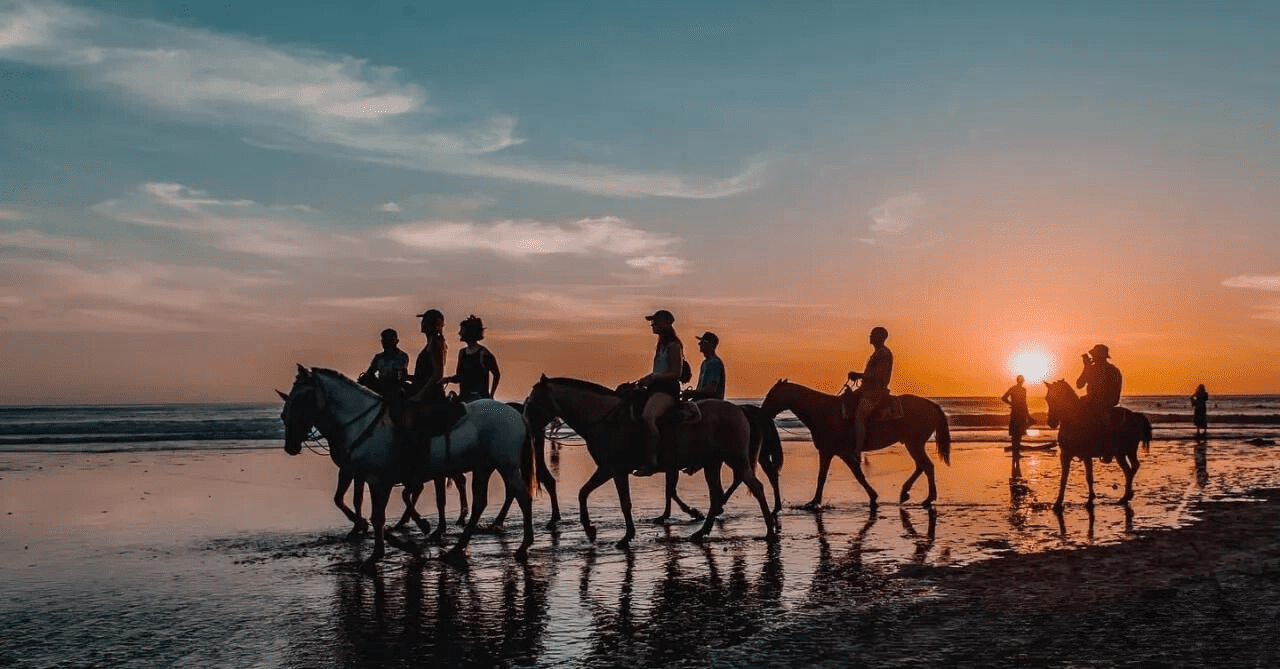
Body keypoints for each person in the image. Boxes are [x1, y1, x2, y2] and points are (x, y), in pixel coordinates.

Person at [633, 309, 684, 476]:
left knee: (648, 417)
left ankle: (652, 461)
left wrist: (654, 377)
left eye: (655, 322)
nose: (652, 325)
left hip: (667, 391)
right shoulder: (661, 345)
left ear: (666, 323)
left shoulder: (674, 346)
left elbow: (676, 373)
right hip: (656, 388)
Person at [847, 326, 893, 451]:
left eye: (873, 334)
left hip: (874, 392)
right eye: (871, 334)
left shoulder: (883, 353)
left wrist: (858, 375)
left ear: (880, 337)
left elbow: (878, 376)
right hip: (865, 390)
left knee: (859, 418)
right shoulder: (877, 353)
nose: (870, 336)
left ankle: (858, 451)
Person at [446, 315, 501, 402]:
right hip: (464, 396)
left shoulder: (483, 353)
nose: (459, 333)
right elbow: (459, 377)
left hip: (479, 397)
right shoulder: (462, 352)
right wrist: (447, 379)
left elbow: (496, 374)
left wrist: (491, 394)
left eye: (462, 330)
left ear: (469, 332)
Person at [1075, 343, 1123, 424]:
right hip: (1093, 401)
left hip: (1104, 403)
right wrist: (1086, 368)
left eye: (1095, 355)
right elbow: (1079, 385)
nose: (1093, 357)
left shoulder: (1111, 370)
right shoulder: (1092, 369)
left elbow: (1103, 390)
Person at [358, 328, 409, 399]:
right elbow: (370, 373)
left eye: (389, 340)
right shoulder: (378, 357)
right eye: (384, 340)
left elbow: (399, 376)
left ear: (396, 341)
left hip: (395, 388)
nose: (386, 343)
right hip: (380, 386)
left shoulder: (401, 356)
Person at [682, 331, 725, 401]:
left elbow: (710, 390)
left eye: (703, 342)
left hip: (710, 403)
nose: (699, 343)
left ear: (711, 345)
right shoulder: (705, 363)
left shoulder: (714, 363)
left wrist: (691, 393)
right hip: (702, 401)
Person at [1001, 375, 1034, 455]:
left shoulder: (1016, 389)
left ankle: (1016, 452)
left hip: (1018, 412)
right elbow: (1004, 398)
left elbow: (1004, 398)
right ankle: (1016, 452)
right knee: (1017, 434)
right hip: (1018, 413)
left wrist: (1011, 403)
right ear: (1022, 381)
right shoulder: (1021, 389)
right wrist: (1011, 403)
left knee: (1016, 434)